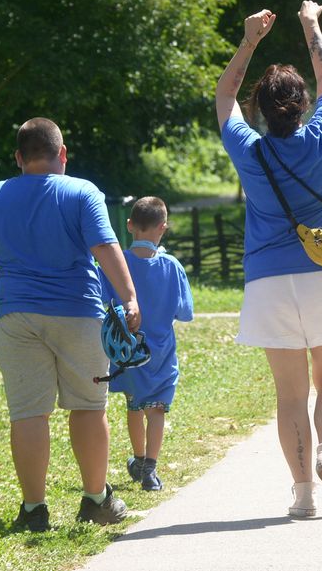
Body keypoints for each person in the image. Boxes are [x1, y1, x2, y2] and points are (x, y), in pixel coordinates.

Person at [0, 117, 141, 532]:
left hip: (15, 317)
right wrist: (128, 296)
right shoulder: (82, 191)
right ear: (63, 155)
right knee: (89, 408)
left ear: (19, 158)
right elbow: (106, 247)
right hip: (78, 314)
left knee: (28, 414)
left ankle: (33, 511)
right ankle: (95, 501)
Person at [216, 0, 322, 518]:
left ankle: (303, 495)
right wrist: (310, 22)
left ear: (261, 109)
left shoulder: (248, 150)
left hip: (268, 282)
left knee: (290, 393)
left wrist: (250, 40)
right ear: (301, 105)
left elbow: (224, 94)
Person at [98, 195, 194, 493]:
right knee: (156, 410)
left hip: (128, 350)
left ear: (129, 225)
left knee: (134, 405)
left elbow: (102, 299)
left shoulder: (117, 264)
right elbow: (185, 312)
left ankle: (138, 460)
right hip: (162, 352)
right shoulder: (172, 266)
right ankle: (150, 469)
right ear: (162, 228)